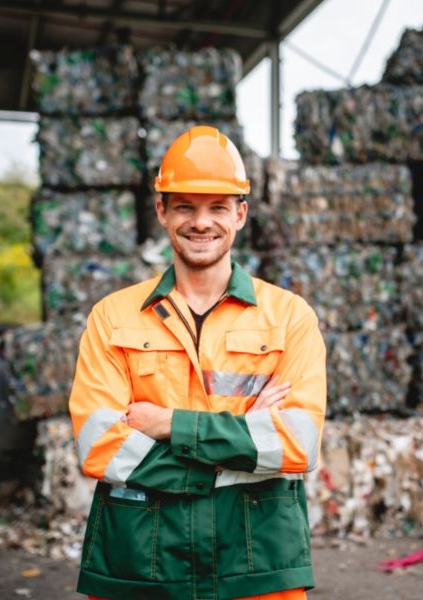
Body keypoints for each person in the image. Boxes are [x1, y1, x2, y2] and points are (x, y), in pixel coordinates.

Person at [68, 125, 327, 600]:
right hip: (141, 561)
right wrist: (243, 435)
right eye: (185, 206)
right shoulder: (113, 317)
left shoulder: (289, 317)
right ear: (162, 211)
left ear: (241, 214)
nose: (201, 222)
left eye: (217, 207)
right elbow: (99, 445)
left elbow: (297, 446)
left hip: (256, 558)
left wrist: (168, 424)